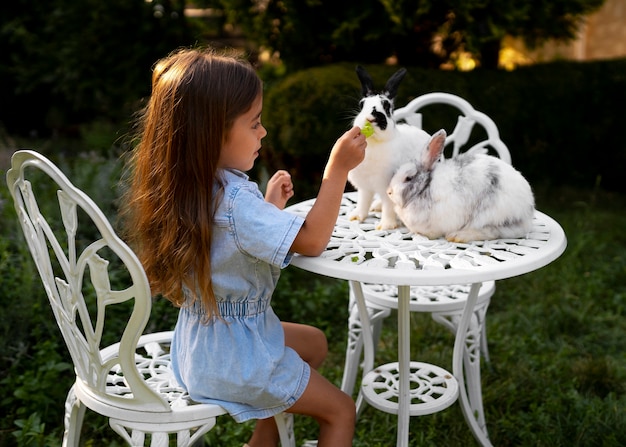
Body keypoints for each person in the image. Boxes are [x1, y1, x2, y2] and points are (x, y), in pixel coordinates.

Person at [122, 47, 366, 447]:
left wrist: (269, 209)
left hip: (200, 347)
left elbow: (229, 244)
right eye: (254, 124)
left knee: (314, 343)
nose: (263, 132)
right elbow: (313, 240)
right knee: (340, 410)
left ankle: (261, 443)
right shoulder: (236, 202)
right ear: (212, 132)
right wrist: (337, 169)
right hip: (241, 361)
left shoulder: (184, 186)